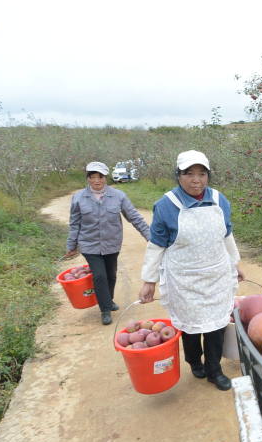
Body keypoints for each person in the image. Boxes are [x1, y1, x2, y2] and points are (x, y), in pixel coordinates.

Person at [138, 150, 244, 391]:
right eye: (189, 174)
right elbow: (156, 245)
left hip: (216, 275)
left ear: (208, 176)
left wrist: (234, 264)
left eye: (202, 174)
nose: (196, 180)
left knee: (217, 324)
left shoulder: (219, 200)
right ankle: (195, 362)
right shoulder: (166, 205)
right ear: (178, 175)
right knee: (190, 325)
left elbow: (226, 236)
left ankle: (214, 370)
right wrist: (149, 281)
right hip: (184, 278)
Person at [66, 161, 151, 325]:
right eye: (93, 177)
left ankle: (108, 300)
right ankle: (105, 310)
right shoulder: (78, 198)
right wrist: (71, 245)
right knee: (99, 275)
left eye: (100, 177)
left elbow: (134, 217)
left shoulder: (118, 196)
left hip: (112, 244)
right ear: (88, 179)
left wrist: (149, 237)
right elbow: (74, 223)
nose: (97, 181)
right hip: (89, 245)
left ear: (105, 178)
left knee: (111, 275)